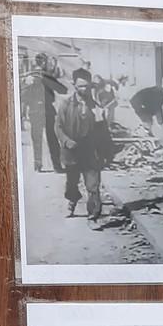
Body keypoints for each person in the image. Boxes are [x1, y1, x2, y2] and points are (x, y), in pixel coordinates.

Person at [55, 68, 116, 220]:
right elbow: (58, 127)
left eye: (86, 86)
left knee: (93, 184)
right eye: (80, 86)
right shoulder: (66, 104)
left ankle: (94, 213)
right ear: (74, 85)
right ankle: (72, 201)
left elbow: (103, 131)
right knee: (72, 182)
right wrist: (66, 141)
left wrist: (107, 153)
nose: (84, 89)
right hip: (71, 150)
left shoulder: (95, 107)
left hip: (89, 150)